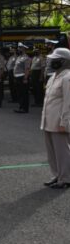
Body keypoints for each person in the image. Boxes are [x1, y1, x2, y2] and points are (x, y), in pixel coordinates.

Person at [40, 48, 70, 189]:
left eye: (56, 59)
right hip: (48, 119)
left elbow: (68, 103)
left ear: (64, 61)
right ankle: (56, 175)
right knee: (51, 150)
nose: (52, 61)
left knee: (62, 151)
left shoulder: (67, 77)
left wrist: (65, 122)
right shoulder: (53, 76)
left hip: (59, 121)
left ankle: (65, 178)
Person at [14, 42, 31, 113]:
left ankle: (25, 108)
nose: (18, 49)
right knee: (19, 93)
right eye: (18, 47)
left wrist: (25, 78)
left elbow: (27, 69)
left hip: (22, 77)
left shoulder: (26, 58)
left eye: (20, 48)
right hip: (17, 77)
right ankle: (21, 107)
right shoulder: (19, 57)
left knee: (24, 93)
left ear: (23, 48)